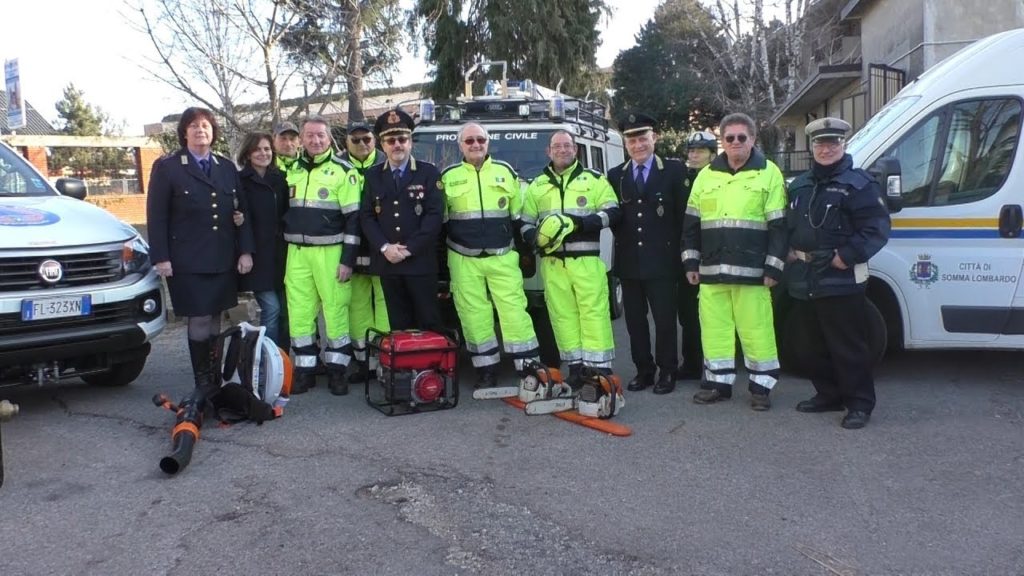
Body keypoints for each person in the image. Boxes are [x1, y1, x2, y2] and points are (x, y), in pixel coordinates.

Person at [785, 117, 891, 429]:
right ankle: (828, 394)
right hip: (805, 277)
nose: (826, 148)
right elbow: (789, 224)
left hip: (841, 277)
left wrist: (846, 256)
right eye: (820, 143)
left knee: (848, 345)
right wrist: (788, 250)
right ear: (812, 147)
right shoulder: (801, 184)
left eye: (833, 142)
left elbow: (878, 228)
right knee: (811, 344)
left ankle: (859, 403)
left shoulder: (859, 184)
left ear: (843, 145)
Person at [683, 112, 787, 410]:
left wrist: (773, 266)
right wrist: (691, 263)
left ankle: (761, 388)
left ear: (753, 139)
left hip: (753, 273)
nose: (736, 142)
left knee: (757, 331)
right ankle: (718, 383)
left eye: (743, 137)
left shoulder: (768, 172)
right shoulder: (706, 176)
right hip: (712, 272)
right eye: (730, 138)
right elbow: (691, 224)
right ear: (722, 142)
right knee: (715, 331)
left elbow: (779, 226)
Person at [147, 107, 255, 389]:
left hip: (222, 257)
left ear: (213, 131)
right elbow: (156, 216)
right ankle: (202, 381)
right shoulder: (168, 167)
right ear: (184, 132)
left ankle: (215, 376)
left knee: (217, 316)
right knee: (199, 318)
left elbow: (241, 212)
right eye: (193, 126)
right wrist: (161, 257)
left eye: (205, 125)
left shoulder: (225, 167)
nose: (200, 130)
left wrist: (245, 251)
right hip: (187, 261)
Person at [440, 122, 540, 388]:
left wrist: (530, 247)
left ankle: (527, 367)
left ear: (488, 142)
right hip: (463, 259)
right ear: (460, 145)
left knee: (515, 312)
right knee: (474, 315)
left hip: (502, 256)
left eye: (480, 140)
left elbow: (519, 216)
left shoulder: (505, 172)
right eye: (469, 141)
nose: (475, 145)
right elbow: (439, 222)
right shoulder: (448, 176)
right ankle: (486, 370)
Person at [520, 130, 620, 388]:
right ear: (549, 151)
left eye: (567, 146)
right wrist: (535, 238)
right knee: (562, 316)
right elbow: (525, 222)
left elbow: (613, 212)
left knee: (594, 314)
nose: (562, 150)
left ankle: (599, 369)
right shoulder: (537, 185)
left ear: (576, 150)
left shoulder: (594, 180)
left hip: (586, 261)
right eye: (557, 146)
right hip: (553, 265)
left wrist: (578, 224)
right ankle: (575, 369)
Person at [282, 116, 362, 396]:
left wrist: (347, 259)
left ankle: (338, 370)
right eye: (310, 136)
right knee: (300, 312)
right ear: (301, 140)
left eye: (321, 136)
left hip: (331, 252)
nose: (315, 141)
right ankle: (305, 370)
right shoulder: (291, 170)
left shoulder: (344, 171)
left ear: (330, 139)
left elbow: (354, 220)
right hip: (297, 253)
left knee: (335, 311)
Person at [607, 112, 686, 395]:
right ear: (626, 145)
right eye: (632, 140)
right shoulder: (616, 176)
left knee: (665, 322)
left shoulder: (675, 171)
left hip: (663, 262)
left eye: (642, 138)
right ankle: (644, 370)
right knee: (635, 324)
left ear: (654, 138)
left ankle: (668, 370)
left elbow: (683, 219)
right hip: (629, 263)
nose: (638, 145)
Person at [360, 109, 444, 331]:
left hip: (420, 263)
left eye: (402, 139)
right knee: (398, 324)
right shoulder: (373, 175)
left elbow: (434, 217)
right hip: (389, 263)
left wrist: (408, 249)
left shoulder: (429, 173)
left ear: (410, 143)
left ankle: (430, 365)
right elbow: (367, 216)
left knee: (429, 321)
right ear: (382, 145)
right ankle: (405, 366)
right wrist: (385, 247)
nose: (397, 144)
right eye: (390, 140)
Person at [337, 120, 390, 384]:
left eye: (367, 139)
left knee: (384, 304)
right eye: (355, 140)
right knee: (357, 307)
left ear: (375, 140)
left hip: (381, 247)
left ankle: (384, 358)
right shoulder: (337, 167)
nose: (362, 144)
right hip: (351, 248)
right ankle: (363, 361)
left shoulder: (387, 164)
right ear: (346, 142)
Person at [236, 131, 290, 347]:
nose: (263, 153)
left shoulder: (280, 179)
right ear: (248, 154)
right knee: (272, 308)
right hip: (257, 256)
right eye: (257, 149)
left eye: (267, 149)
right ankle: (269, 360)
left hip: (282, 255)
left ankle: (284, 361)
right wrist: (245, 251)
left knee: (286, 311)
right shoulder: (240, 182)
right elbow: (241, 219)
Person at [675, 130, 717, 381]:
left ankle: (716, 366)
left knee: (715, 318)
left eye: (700, 150)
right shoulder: (682, 179)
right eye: (691, 150)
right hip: (687, 257)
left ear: (712, 154)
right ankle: (691, 364)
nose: (694, 154)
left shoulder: (721, 179)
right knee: (688, 315)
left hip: (715, 255)